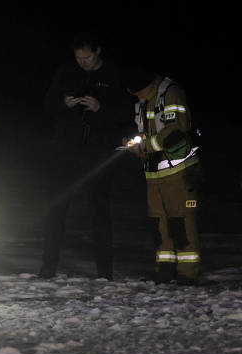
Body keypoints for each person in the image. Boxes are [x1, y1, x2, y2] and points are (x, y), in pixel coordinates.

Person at [39, 33, 132, 280]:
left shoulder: (113, 75)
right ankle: (47, 268)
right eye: (78, 58)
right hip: (66, 153)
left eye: (87, 57)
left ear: (98, 51)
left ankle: (105, 273)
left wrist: (100, 109)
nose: (83, 62)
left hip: (98, 155)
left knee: (100, 212)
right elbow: (48, 104)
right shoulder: (65, 73)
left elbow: (126, 113)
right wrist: (64, 103)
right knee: (57, 208)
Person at [121, 69, 203, 285]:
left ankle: (187, 275)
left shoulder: (170, 93)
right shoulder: (142, 99)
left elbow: (176, 131)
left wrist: (146, 146)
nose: (137, 96)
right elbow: (147, 129)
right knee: (159, 224)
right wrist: (135, 143)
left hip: (179, 170)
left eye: (139, 91)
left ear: (149, 84)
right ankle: (165, 271)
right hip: (154, 172)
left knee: (182, 222)